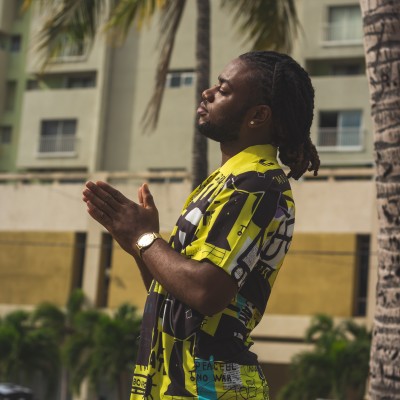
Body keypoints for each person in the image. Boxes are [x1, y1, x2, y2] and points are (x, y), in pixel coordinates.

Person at [82, 51, 320, 399]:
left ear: (258, 116)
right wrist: (141, 247)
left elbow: (207, 293)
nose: (207, 93)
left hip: (211, 390)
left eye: (224, 90)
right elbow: (178, 300)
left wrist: (144, 238)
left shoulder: (256, 184)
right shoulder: (228, 180)